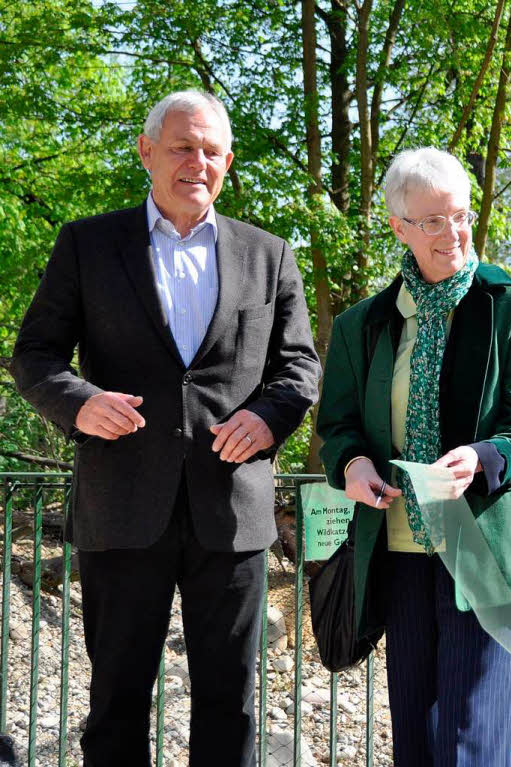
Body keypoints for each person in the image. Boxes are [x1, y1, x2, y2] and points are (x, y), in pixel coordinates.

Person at [12, 90, 320, 766]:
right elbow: (33, 355)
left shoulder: (269, 255)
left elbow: (299, 369)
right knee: (117, 701)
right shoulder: (88, 244)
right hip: (121, 503)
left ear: (228, 162)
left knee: (230, 704)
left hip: (232, 510)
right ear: (148, 151)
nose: (197, 162)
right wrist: (79, 402)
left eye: (211, 150)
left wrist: (268, 421)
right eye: (182, 146)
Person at [316, 147, 511, 766]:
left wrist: (483, 457)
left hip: (488, 551)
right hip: (399, 552)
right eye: (432, 221)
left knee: (472, 740)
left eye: (460, 215)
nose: (452, 233)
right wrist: (352, 467)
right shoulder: (362, 325)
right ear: (398, 227)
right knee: (418, 741)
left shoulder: (508, 304)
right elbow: (338, 426)